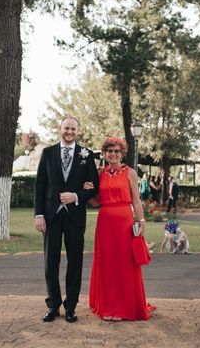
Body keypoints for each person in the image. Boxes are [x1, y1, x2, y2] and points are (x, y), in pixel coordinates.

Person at [33, 116, 99, 323]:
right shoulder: (48, 153)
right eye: (66, 128)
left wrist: (77, 196)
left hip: (75, 216)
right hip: (51, 216)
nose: (69, 132)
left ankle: (70, 307)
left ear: (78, 131)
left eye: (73, 129)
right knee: (50, 261)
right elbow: (40, 186)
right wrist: (39, 214)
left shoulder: (86, 155)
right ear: (59, 128)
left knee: (75, 261)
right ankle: (53, 305)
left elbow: (94, 186)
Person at [85, 137, 154, 321]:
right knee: (107, 264)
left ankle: (123, 307)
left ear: (122, 153)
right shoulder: (100, 173)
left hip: (125, 222)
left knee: (124, 264)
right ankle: (108, 307)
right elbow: (96, 202)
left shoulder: (130, 173)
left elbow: (136, 200)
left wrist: (141, 220)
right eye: (110, 151)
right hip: (105, 223)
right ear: (105, 154)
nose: (113, 154)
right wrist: (86, 192)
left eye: (117, 151)